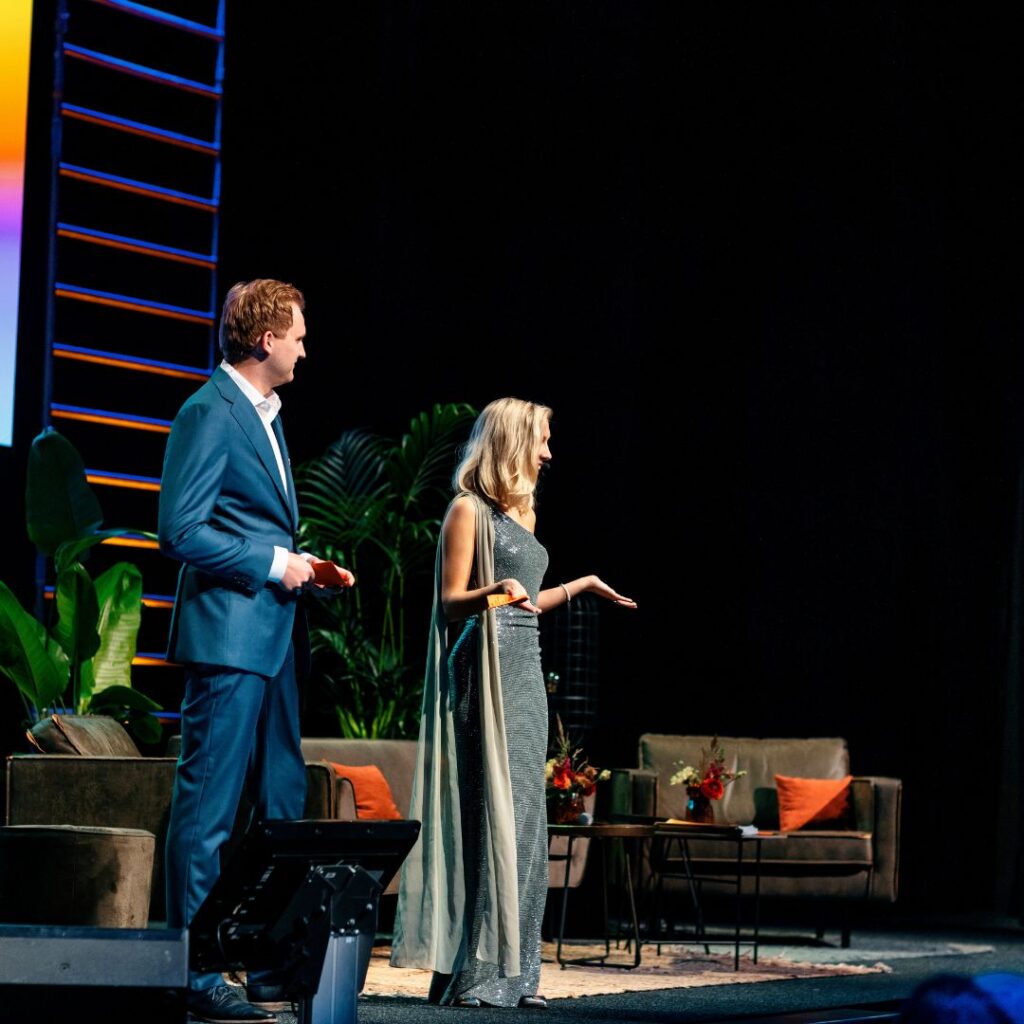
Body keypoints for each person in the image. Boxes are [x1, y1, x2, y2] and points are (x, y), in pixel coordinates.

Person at [391, 396, 636, 1008]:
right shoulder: (465, 511)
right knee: (488, 817)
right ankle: (473, 976)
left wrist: (578, 586)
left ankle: (518, 977)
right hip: (482, 670)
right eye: (542, 440)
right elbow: (451, 605)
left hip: (524, 672)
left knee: (528, 824)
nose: (549, 453)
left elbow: (526, 601)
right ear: (510, 442)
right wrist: (493, 591)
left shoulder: (521, 514)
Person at [159, 279, 351, 1024]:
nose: (305, 345)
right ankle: (190, 973)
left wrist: (307, 573)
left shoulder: (268, 416)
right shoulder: (209, 412)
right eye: (298, 333)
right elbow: (179, 530)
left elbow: (257, 526)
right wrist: (276, 565)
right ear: (266, 339)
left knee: (280, 809)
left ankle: (269, 963)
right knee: (208, 811)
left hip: (274, 639)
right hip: (229, 640)